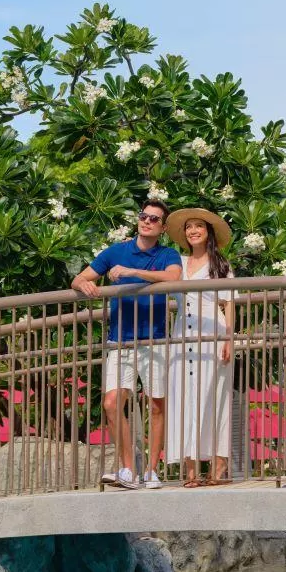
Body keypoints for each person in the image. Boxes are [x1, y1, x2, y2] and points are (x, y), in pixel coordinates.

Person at [70, 197, 182, 489]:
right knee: (110, 402)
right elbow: (79, 277)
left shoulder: (168, 254)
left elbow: (172, 278)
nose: (147, 221)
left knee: (156, 404)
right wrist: (84, 283)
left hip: (155, 340)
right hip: (119, 341)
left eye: (154, 219)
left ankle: (152, 471)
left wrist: (133, 273)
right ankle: (128, 470)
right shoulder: (115, 251)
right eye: (144, 216)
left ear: (163, 227)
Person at [163, 207, 236, 487]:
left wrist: (229, 338)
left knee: (214, 397)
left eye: (199, 226)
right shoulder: (177, 264)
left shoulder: (221, 266)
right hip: (182, 334)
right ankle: (190, 470)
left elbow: (229, 304)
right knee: (184, 398)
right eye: (189, 227)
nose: (193, 231)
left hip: (212, 334)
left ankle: (218, 467)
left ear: (208, 233)